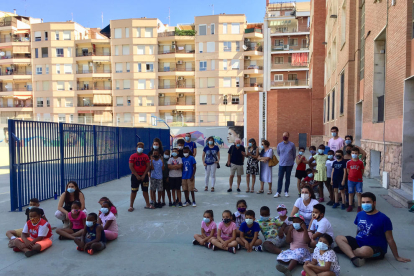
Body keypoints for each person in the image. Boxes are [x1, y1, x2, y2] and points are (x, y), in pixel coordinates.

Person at [335, 192, 411, 267]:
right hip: (359, 243)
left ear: (374, 203)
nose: (365, 204)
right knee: (338, 238)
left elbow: (390, 239)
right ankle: (353, 257)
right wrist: (355, 240)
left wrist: (397, 256)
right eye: (363, 202)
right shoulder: (360, 214)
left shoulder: (384, 219)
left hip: (375, 248)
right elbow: (359, 230)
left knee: (363, 251)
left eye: (368, 202)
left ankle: (345, 250)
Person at [129, 142, 152, 210]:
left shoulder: (145, 156)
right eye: (139, 147)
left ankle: (148, 204)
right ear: (136, 148)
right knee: (134, 191)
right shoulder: (132, 156)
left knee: (145, 190)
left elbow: (148, 166)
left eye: (142, 147)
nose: (140, 148)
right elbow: (131, 166)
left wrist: (144, 175)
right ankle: (131, 206)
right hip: (135, 176)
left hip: (144, 176)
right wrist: (136, 175)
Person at [276, 132, 296, 198]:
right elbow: (278, 153)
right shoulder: (279, 145)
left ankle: (286, 191)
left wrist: (291, 160)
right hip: (282, 164)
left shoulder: (292, 145)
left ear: (288, 136)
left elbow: (294, 154)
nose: (285, 136)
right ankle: (278, 192)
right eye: (284, 135)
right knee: (280, 178)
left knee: (287, 178)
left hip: (289, 164)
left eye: (286, 135)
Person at [346, 147, 364, 212]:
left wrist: (359, 176)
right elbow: (348, 171)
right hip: (350, 180)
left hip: (358, 181)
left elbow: (362, 171)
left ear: (358, 154)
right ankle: (350, 205)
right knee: (350, 193)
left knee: (358, 193)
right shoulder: (349, 162)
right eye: (353, 153)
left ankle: (359, 207)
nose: (354, 154)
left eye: (356, 153)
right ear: (351, 154)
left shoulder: (360, 162)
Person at [148, 139, 165, 205]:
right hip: (153, 176)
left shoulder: (162, 155)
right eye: (154, 144)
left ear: (159, 145)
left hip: (160, 176)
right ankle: (153, 200)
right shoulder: (150, 154)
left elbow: (163, 167)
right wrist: (148, 172)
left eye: (157, 144)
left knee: (160, 189)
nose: (155, 145)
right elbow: (149, 166)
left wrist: (162, 160)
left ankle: (159, 201)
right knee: (152, 188)